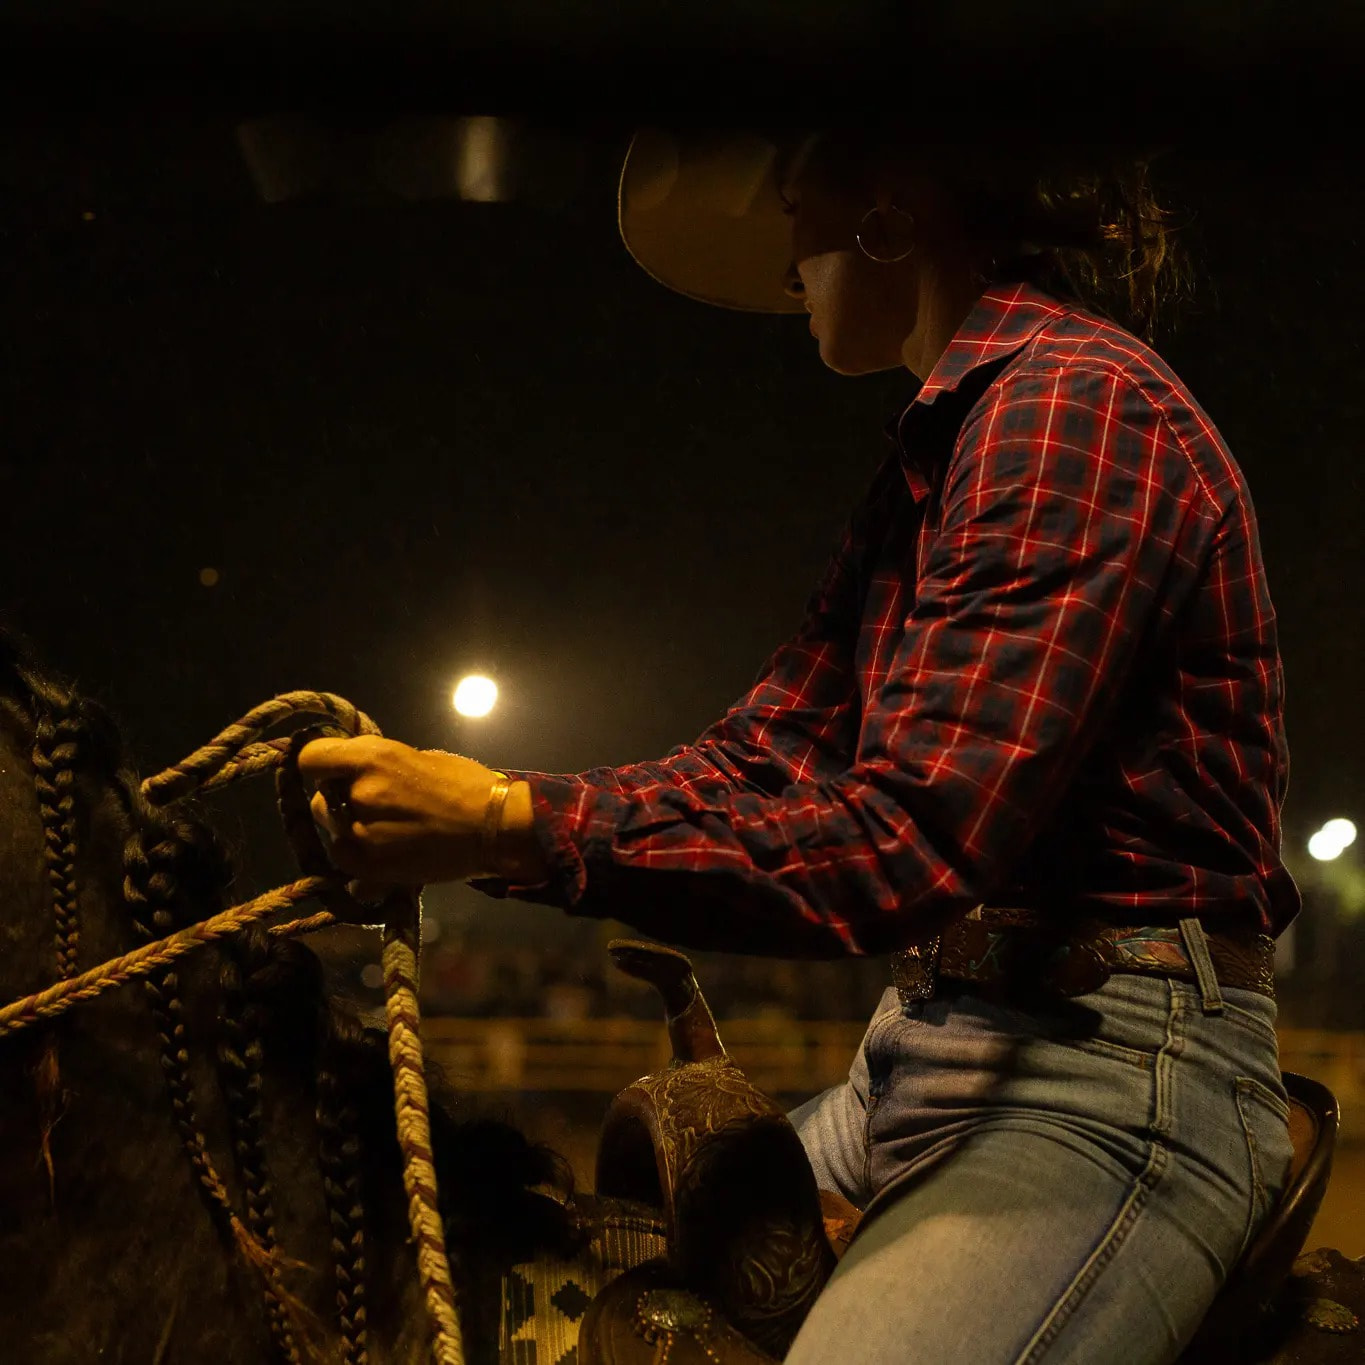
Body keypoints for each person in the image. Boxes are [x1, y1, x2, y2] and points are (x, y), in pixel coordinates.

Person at [299, 124, 1300, 1363]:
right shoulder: (955, 449)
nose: (784, 262)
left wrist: (511, 825)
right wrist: (485, 807)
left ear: (887, 210)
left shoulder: (1072, 414)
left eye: (789, 208)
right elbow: (760, 760)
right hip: (946, 1057)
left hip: (1112, 1084)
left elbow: (906, 845)